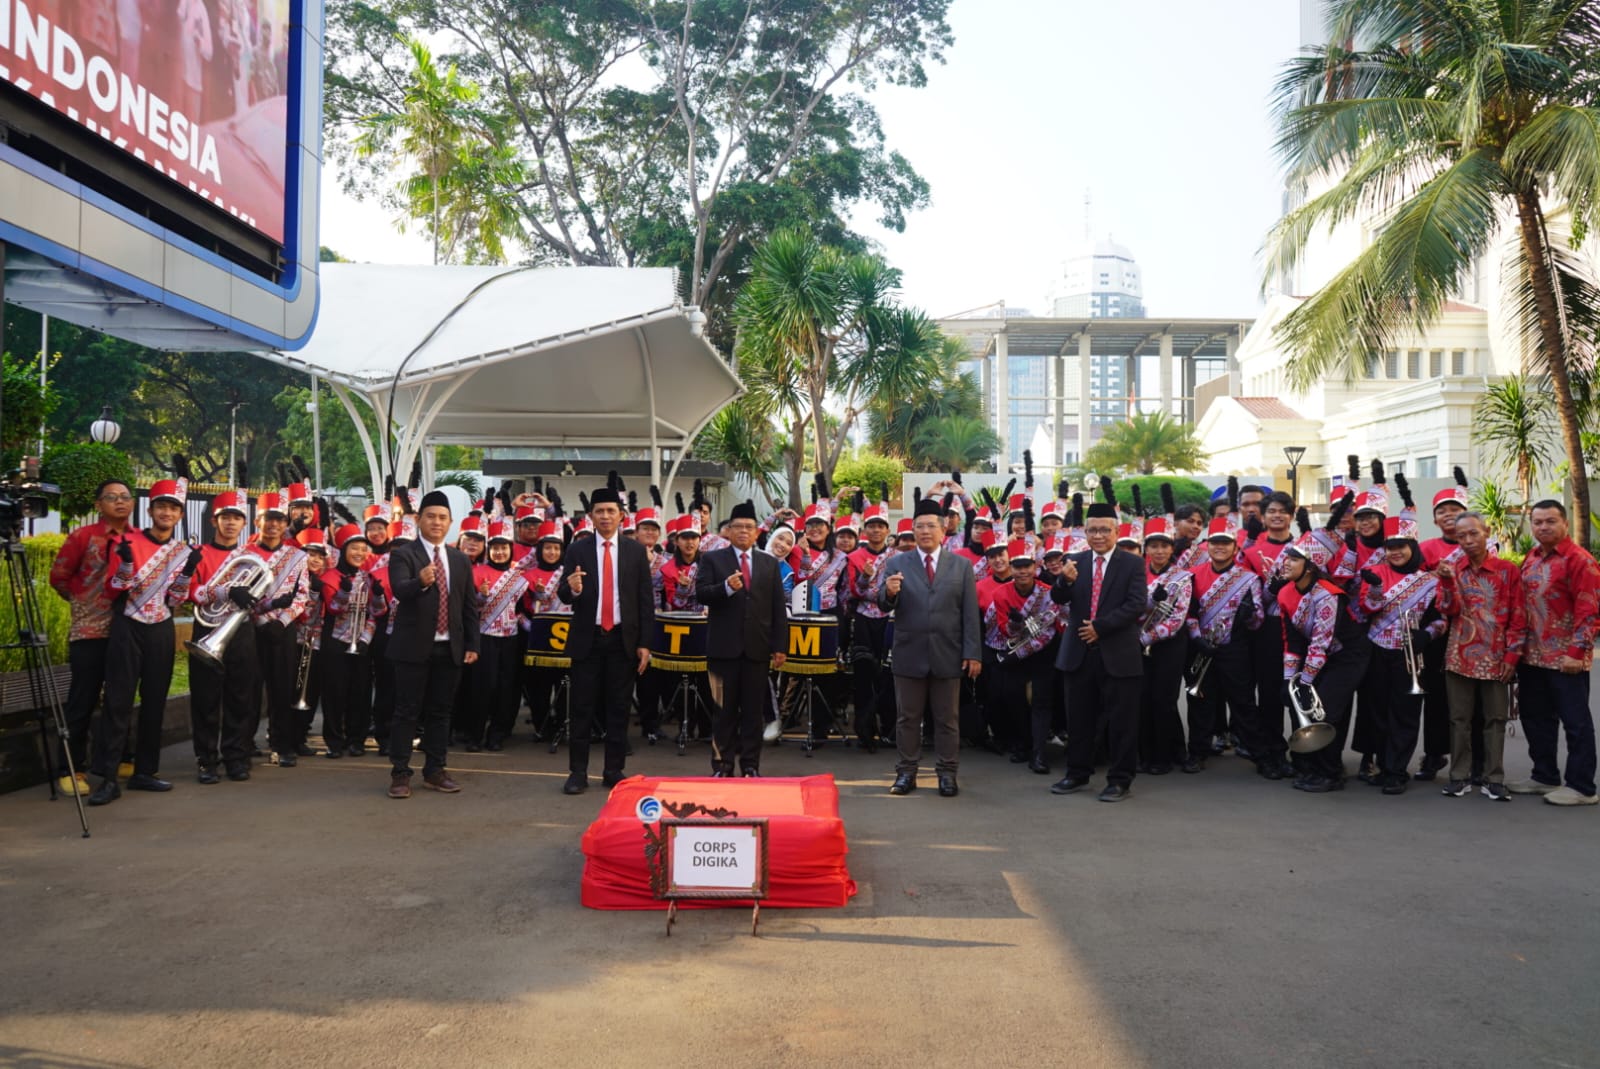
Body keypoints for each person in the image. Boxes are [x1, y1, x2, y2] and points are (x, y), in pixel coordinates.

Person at [88, 480, 199, 806]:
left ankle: (145, 771)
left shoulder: (181, 551)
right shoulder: (126, 541)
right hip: (128, 625)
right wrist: (124, 564)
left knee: (155, 701)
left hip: (161, 628)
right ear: (149, 510)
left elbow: (177, 599)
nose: (167, 512)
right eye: (161, 507)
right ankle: (107, 777)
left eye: (173, 508)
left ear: (179, 514)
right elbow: (113, 589)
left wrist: (186, 573)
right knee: (118, 701)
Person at [879, 497, 982, 797]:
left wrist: (972, 652)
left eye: (931, 526)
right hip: (909, 652)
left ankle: (947, 774)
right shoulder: (897, 562)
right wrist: (888, 592)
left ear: (943, 530)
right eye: (920, 526)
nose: (925, 531)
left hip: (948, 653)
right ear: (912, 529)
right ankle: (906, 773)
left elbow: (970, 613)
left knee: (947, 719)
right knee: (907, 718)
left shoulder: (961, 565)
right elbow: (884, 604)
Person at [1048, 500, 1148, 801]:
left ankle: (1120, 780)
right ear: (1085, 532)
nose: (1099, 535)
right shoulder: (1074, 561)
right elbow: (1057, 598)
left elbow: (1136, 604)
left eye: (1105, 530)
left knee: (1122, 721)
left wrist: (1100, 627)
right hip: (1078, 654)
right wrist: (1063, 581)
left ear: (1116, 531)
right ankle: (1077, 774)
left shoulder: (1132, 563)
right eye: (1093, 530)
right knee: (1079, 719)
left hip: (1118, 653)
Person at [556, 486, 654, 794]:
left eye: (611, 511)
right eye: (599, 511)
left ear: (622, 516)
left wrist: (644, 643)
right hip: (588, 639)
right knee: (581, 708)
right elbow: (563, 593)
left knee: (618, 708)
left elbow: (644, 600)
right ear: (591, 516)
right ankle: (578, 772)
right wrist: (571, 588)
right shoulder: (577, 550)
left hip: (622, 640)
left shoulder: (635, 551)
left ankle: (613, 770)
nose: (605, 516)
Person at [384, 491, 481, 798]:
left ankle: (435, 771)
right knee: (406, 712)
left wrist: (472, 644)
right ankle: (400, 774)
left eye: (442, 517)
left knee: (441, 712)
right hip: (412, 649)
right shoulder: (404, 554)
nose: (436, 522)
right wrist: (420, 582)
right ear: (418, 520)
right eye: (430, 516)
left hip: (449, 648)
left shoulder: (459, 559)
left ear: (450, 522)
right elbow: (400, 590)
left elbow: (469, 606)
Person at [48, 479, 134, 796]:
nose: (120, 502)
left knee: (121, 698)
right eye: (111, 498)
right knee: (82, 701)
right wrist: (83, 603)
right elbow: (58, 577)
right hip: (89, 632)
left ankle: (120, 758)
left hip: (127, 632)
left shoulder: (138, 539)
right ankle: (70, 768)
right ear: (98, 505)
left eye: (125, 497)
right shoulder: (82, 537)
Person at [1512, 500, 1600, 805]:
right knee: (1535, 718)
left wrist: (1577, 651)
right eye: (1538, 522)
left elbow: (1589, 610)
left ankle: (1582, 787)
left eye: (1550, 521)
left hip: (1566, 659)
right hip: (1532, 655)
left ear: (1564, 523)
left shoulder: (1579, 560)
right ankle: (1544, 775)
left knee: (1575, 723)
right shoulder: (1533, 557)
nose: (1543, 527)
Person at [1435, 512, 1525, 800]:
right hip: (1459, 655)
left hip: (1497, 656)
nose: (1468, 540)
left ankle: (1493, 777)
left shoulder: (1507, 571)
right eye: (1462, 536)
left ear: (1487, 532)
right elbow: (1447, 609)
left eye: (1473, 533)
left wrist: (1512, 657)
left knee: (1495, 719)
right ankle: (1459, 776)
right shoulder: (1453, 569)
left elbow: (1519, 616)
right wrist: (1447, 583)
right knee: (1459, 719)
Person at [696, 503, 787, 776]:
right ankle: (722, 765)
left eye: (749, 527)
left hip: (757, 649)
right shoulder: (712, 559)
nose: (744, 532)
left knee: (752, 713)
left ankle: (750, 766)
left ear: (757, 531)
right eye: (738, 527)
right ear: (729, 531)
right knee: (723, 712)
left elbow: (777, 608)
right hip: (723, 649)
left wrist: (779, 646)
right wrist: (725, 588)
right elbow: (700, 594)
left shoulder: (769, 563)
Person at [1357, 517, 1446, 794]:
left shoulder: (1430, 582)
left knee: (1405, 713)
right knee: (1378, 712)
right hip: (1377, 651)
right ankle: (1384, 766)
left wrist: (1427, 635)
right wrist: (1372, 587)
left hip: (1409, 656)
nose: (1395, 552)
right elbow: (1368, 609)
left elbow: (1442, 619)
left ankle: (1397, 771)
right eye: (1390, 546)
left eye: (1401, 546)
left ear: (1412, 547)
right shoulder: (1374, 572)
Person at [1278, 531, 1371, 792]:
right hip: (1321, 656)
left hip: (1347, 656)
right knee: (1303, 708)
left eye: (1294, 560)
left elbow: (1322, 641)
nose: (1285, 562)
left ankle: (1331, 773)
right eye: (1287, 557)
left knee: (1326, 712)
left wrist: (1305, 682)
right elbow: (1292, 641)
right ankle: (1311, 767)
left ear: (1309, 567)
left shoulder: (1328, 594)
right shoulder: (1286, 592)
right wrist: (1289, 681)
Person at [1183, 517, 1270, 777]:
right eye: (1215, 542)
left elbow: (1258, 621)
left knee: (1243, 703)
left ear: (1235, 547)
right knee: (1199, 702)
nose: (1220, 547)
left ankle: (1261, 756)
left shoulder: (1249, 579)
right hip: (1201, 648)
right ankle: (1198, 752)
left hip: (1234, 650)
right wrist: (1197, 637)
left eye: (1226, 543)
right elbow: (1186, 613)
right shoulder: (1192, 575)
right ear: (1208, 545)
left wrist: (1249, 615)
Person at [187, 490, 261, 783]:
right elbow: (190, 591)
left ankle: (235, 757)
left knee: (240, 696)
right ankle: (206, 760)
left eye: (237, 518)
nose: (231, 523)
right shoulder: (199, 554)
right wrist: (225, 591)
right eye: (225, 517)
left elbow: (261, 592)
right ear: (214, 520)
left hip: (240, 630)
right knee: (205, 698)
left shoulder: (251, 557)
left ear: (244, 524)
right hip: (207, 628)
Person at [245, 493, 311, 767]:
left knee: (282, 688)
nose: (273, 525)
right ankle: (244, 742)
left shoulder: (297, 557)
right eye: (267, 520)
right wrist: (261, 620)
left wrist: (281, 621)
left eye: (279, 520)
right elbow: (241, 592)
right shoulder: (244, 554)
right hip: (250, 628)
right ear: (257, 521)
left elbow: (302, 594)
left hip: (283, 630)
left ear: (285, 523)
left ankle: (281, 744)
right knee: (248, 688)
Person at [984, 539, 1061, 772]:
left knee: (1041, 701)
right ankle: (1024, 744)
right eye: (1018, 566)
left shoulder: (1048, 593)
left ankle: (1038, 754)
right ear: (1011, 568)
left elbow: (1048, 631)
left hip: (1041, 654)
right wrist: (1016, 625)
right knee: (1013, 697)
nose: (1023, 571)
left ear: (1035, 567)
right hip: (1015, 652)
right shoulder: (1000, 594)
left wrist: (1020, 651)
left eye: (1027, 565)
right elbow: (1005, 630)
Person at [318, 524, 386, 758]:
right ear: (344, 550)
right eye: (354, 548)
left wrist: (377, 596)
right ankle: (334, 741)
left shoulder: (369, 578)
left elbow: (376, 613)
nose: (359, 553)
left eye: (363, 548)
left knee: (361, 693)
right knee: (334, 693)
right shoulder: (330, 577)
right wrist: (344, 591)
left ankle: (357, 740)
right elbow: (334, 608)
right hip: (335, 642)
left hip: (362, 642)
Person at [470, 521, 535, 751]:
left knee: (507, 687)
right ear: (489, 550)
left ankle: (498, 733)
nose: (500, 552)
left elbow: (524, 607)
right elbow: (469, 608)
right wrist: (481, 597)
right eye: (495, 547)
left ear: (510, 549)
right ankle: (475, 733)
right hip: (485, 636)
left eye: (504, 547)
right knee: (484, 686)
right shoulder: (477, 572)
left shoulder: (520, 577)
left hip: (511, 638)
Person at [1138, 514, 1192, 775]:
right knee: (1143, 699)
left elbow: (1177, 618)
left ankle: (1167, 755)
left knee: (1165, 700)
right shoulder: (1137, 573)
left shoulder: (1183, 577)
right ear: (1146, 548)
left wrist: (1145, 638)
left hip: (1168, 646)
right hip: (1138, 646)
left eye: (1164, 546)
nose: (1159, 551)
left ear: (1172, 548)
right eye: (1154, 546)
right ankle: (1145, 753)